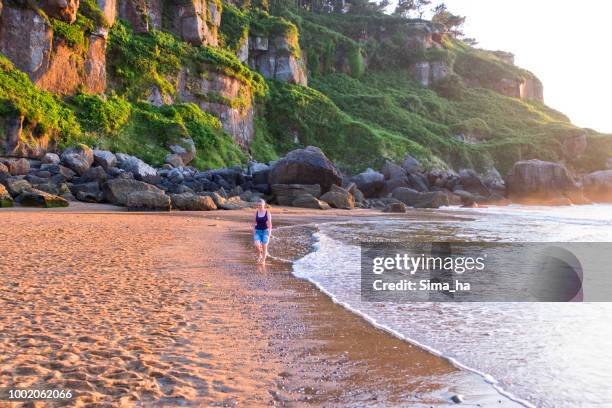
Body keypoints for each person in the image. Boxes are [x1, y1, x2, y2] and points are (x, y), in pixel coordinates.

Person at [253, 199, 272, 264]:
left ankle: (263, 260)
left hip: (265, 231)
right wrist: (254, 232)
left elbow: (270, 224)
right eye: (258, 205)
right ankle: (259, 255)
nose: (259, 206)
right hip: (257, 231)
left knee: (264, 246)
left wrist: (269, 233)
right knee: (257, 245)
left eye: (261, 205)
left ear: (264, 205)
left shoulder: (267, 212)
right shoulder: (256, 212)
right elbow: (254, 223)